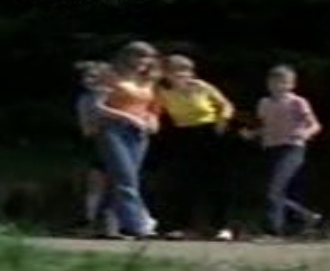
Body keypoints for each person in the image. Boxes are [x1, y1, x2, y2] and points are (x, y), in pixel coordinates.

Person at [154, 54, 237, 240]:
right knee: (185, 182)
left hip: (211, 132)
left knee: (218, 181)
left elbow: (226, 105)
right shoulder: (163, 92)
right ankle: (184, 226)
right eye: (178, 72)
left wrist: (222, 121)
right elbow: (156, 111)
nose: (184, 75)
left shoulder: (201, 87)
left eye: (187, 71)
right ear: (167, 74)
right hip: (183, 135)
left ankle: (223, 226)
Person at [91, 40, 161, 239]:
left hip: (139, 133)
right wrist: (128, 117)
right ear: (127, 57)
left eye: (148, 58)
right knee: (126, 178)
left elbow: (151, 107)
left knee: (123, 179)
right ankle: (139, 225)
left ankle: (106, 224)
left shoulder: (147, 80)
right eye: (139, 57)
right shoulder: (110, 77)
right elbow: (97, 106)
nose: (144, 62)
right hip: (114, 130)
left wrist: (152, 119)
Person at [245, 65, 323, 237]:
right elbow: (266, 126)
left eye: (283, 83)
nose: (278, 86)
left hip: (292, 148)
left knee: (273, 190)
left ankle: (273, 230)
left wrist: (306, 134)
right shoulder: (264, 103)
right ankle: (305, 217)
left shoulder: (298, 102)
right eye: (274, 82)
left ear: (291, 85)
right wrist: (253, 133)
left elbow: (315, 125)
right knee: (272, 191)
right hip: (271, 148)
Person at [74, 60, 119, 237]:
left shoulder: (118, 95)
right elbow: (87, 129)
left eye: (94, 76)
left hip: (121, 143)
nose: (89, 81)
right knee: (97, 183)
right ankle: (90, 219)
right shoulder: (85, 100)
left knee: (118, 183)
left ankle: (114, 223)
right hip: (98, 144)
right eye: (86, 77)